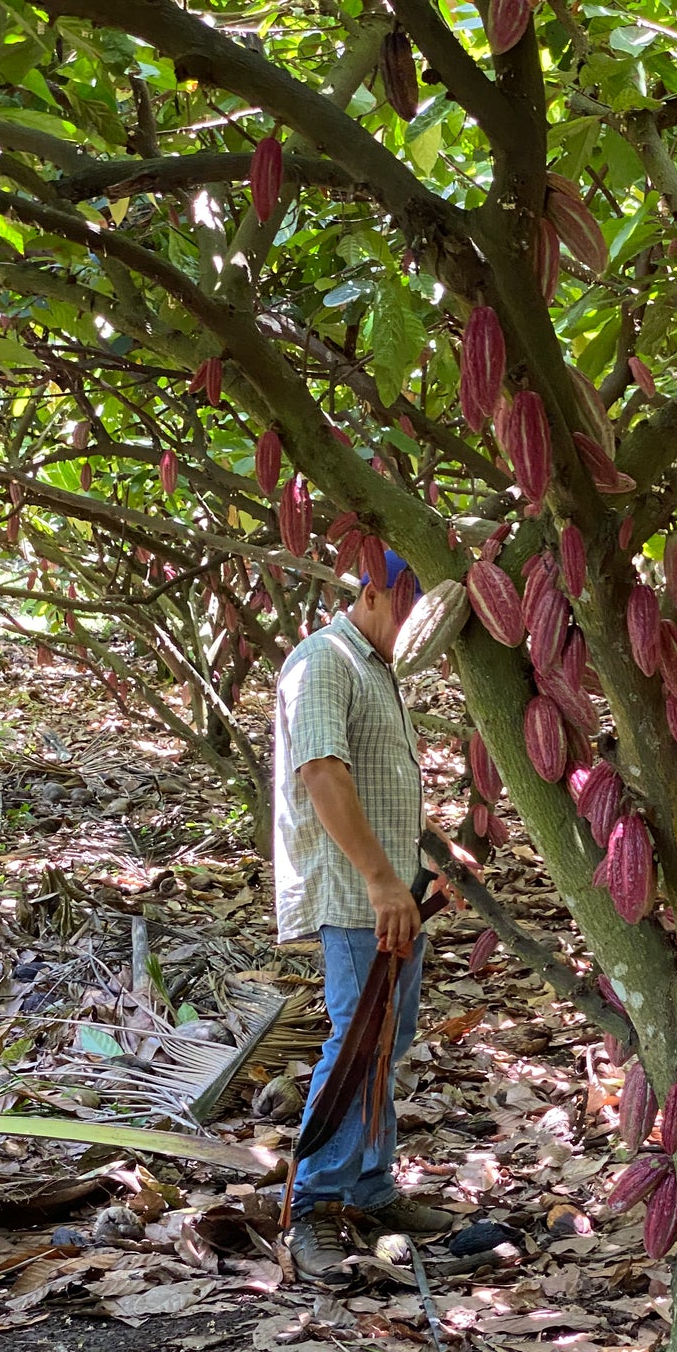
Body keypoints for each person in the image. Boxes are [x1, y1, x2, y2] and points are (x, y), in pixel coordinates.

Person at [273, 549, 453, 1284]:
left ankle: (370, 1190)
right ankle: (313, 1206)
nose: (419, 624)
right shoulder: (324, 660)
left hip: (391, 891)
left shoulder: (378, 668)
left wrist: (426, 862)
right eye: (412, 602)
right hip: (357, 895)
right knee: (357, 1041)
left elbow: (381, 781)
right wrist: (380, 880)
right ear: (379, 592)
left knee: (387, 1038)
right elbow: (322, 773)